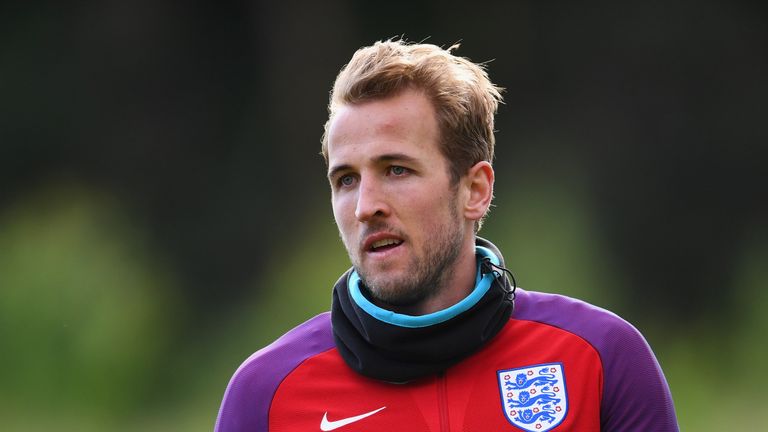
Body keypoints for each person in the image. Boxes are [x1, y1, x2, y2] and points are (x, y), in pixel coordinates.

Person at [214, 39, 679, 432]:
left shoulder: (600, 358)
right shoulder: (267, 393)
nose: (365, 206)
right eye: (346, 179)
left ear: (474, 190)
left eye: (396, 169)